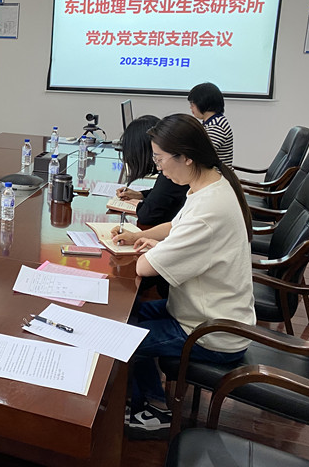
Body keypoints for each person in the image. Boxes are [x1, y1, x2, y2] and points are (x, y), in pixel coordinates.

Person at [111, 114, 254, 438]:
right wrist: (140, 237)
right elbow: (176, 227)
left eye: (160, 159)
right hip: (200, 311)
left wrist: (154, 251)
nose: (159, 168)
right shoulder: (211, 184)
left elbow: (144, 268)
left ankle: (154, 412)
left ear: (186, 157)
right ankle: (149, 397)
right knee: (127, 315)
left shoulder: (209, 208)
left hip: (211, 332)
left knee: (123, 339)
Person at [116, 115, 189, 227]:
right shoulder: (176, 166)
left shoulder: (171, 172)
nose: (159, 167)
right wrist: (141, 195)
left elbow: (147, 216)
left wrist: (140, 204)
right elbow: (163, 194)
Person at [188, 82, 233, 168]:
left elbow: (201, 154)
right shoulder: (212, 122)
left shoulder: (216, 126)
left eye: (192, 104)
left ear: (203, 103)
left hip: (216, 174)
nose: (191, 107)